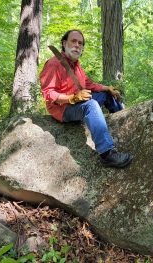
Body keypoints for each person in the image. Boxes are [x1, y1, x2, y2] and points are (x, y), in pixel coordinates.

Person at [40, 29, 132, 168]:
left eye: (80, 43)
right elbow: (48, 94)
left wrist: (108, 88)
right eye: (74, 41)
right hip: (63, 109)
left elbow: (88, 84)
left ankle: (123, 120)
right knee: (92, 105)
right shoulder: (53, 64)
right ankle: (107, 154)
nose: (77, 45)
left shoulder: (76, 65)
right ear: (64, 43)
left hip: (79, 102)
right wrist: (72, 98)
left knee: (106, 94)